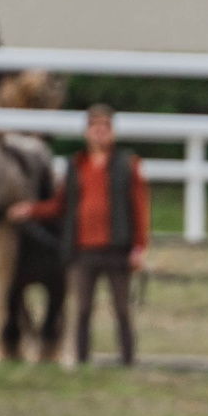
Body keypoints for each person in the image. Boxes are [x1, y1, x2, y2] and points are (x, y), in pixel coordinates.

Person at [14, 105, 148, 368]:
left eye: (104, 128)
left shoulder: (127, 165)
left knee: (122, 309)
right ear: (87, 132)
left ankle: (128, 360)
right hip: (83, 250)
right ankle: (83, 359)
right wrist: (30, 210)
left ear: (112, 133)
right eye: (94, 128)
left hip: (116, 247)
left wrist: (139, 247)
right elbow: (60, 205)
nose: (99, 133)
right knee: (83, 309)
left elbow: (139, 208)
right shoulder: (77, 166)